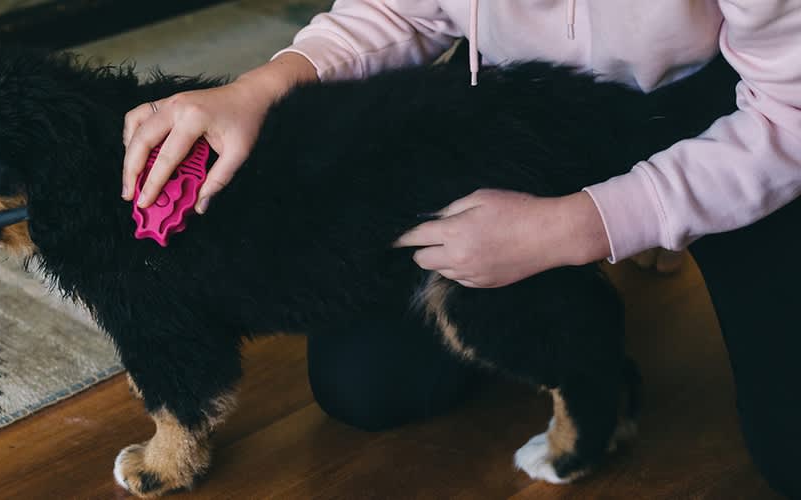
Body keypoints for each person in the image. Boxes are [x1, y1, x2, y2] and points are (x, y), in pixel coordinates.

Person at [120, 1, 800, 496]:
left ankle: (638, 253)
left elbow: (790, 114)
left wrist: (572, 226)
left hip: (724, 111)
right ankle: (587, 304)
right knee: (368, 385)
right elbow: (398, 10)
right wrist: (260, 87)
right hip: (509, 99)